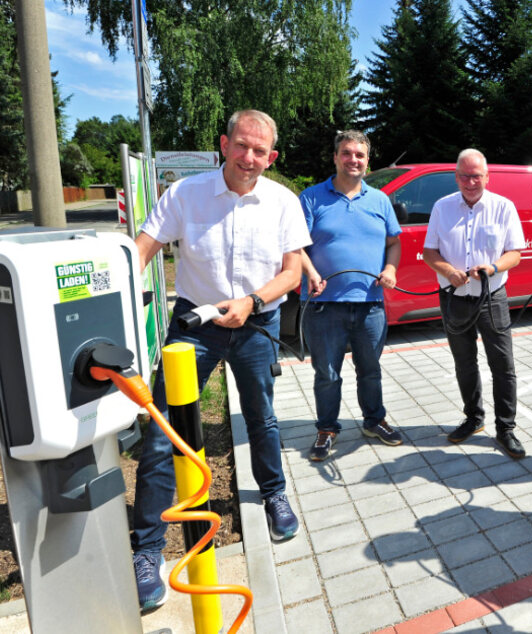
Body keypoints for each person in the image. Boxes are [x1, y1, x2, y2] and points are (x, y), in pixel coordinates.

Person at [130, 109, 311, 611]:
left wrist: (252, 300)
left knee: (262, 418)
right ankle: (146, 551)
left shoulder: (283, 201)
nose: (249, 158)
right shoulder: (185, 194)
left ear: (271, 157)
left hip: (255, 323)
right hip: (196, 325)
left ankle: (273, 495)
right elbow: (142, 249)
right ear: (223, 145)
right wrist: (112, 292)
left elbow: (292, 272)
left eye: (261, 151)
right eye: (242, 146)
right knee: (163, 431)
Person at [298, 130, 403, 461]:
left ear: (367, 161)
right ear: (335, 157)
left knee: (370, 370)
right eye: (347, 153)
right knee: (327, 374)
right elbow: (295, 246)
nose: (353, 160)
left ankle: (374, 420)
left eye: (359, 155)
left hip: (370, 304)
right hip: (323, 305)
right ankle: (327, 429)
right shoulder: (312, 197)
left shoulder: (380, 200)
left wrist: (391, 270)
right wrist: (311, 274)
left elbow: (394, 242)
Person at [422, 148, 527, 459]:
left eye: (476, 176)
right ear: (456, 176)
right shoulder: (442, 207)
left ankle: (506, 428)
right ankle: (474, 418)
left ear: (487, 177)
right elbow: (430, 253)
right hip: (453, 298)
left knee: (503, 365)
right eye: (465, 176)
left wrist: (492, 268)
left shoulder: (503, 207)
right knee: (464, 363)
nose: (470, 182)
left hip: (492, 297)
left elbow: (515, 252)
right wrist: (448, 271)